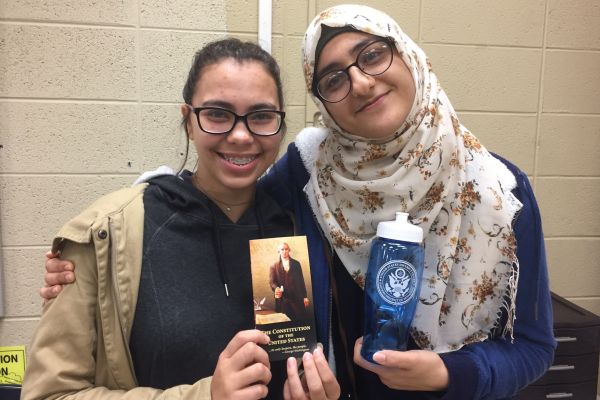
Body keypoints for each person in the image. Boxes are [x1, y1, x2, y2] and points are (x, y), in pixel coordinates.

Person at [41, 4, 556, 399]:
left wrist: (450, 372)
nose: (359, 81)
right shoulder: (312, 178)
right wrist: (104, 245)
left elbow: (533, 348)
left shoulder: (499, 192)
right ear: (322, 107)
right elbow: (211, 195)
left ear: (409, 54)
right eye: (333, 78)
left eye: (373, 54)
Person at [23, 38, 339, 400]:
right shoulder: (110, 232)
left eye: (261, 116)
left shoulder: (302, 228)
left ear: (281, 127)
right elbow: (49, 393)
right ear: (188, 121)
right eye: (218, 114)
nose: (240, 135)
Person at [269, 242, 310, 321]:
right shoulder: (274, 266)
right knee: (283, 322)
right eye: (282, 249)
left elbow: (301, 281)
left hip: (297, 299)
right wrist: (276, 288)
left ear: (289, 250)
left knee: (299, 321)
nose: (284, 251)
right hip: (282, 300)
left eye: (286, 249)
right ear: (279, 251)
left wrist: (305, 297)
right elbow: (272, 282)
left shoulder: (296, 264)